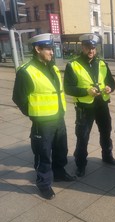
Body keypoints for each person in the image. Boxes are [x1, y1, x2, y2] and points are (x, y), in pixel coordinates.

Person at [12, 33, 76, 200]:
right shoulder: (26, 71)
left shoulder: (52, 67)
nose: (51, 52)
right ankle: (44, 183)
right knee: (43, 153)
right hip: (42, 122)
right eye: (48, 49)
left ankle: (60, 173)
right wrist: (33, 113)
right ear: (37, 49)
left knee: (61, 150)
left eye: (51, 48)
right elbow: (18, 98)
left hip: (58, 117)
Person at [64, 33, 115, 177]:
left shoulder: (102, 64)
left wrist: (109, 88)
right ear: (82, 47)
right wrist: (85, 91)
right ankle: (80, 165)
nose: (91, 51)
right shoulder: (73, 65)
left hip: (102, 105)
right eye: (88, 47)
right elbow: (68, 88)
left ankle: (107, 156)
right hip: (84, 108)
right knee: (83, 137)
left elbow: (112, 82)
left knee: (106, 132)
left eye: (93, 48)